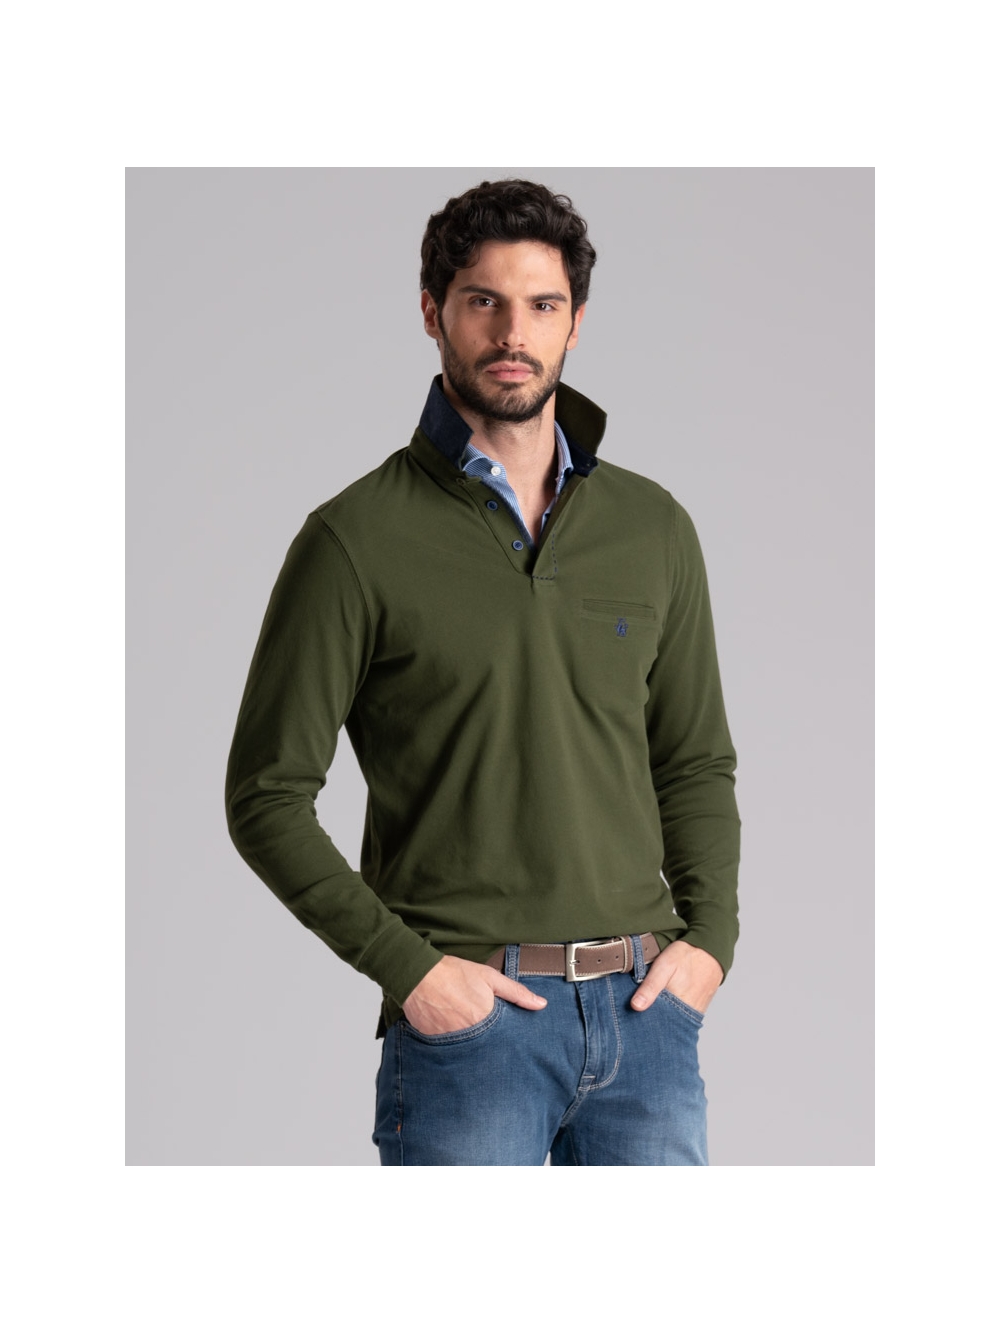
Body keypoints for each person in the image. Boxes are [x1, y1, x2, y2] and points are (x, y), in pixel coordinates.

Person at [225, 178, 740, 1166]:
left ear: (575, 323)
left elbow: (693, 762)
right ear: (433, 312)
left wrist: (710, 943)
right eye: (483, 301)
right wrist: (411, 972)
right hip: (470, 1031)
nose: (514, 332)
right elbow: (265, 796)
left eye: (542, 304)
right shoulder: (354, 539)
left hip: (647, 1023)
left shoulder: (653, 526)